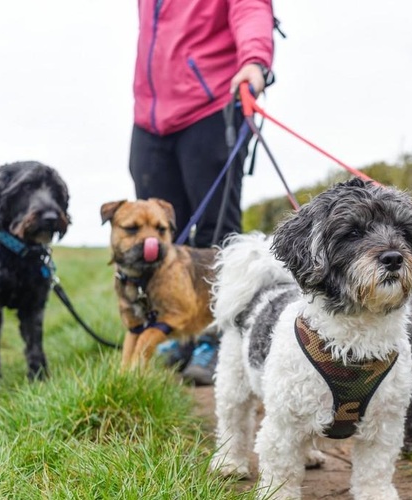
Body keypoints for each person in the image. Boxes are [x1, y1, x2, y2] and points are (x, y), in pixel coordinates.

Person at [129, 0, 275, 385]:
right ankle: (177, 330)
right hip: (150, 119)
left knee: (216, 235)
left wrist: (255, 60)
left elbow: (250, 8)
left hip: (210, 109)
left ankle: (216, 338)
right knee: (160, 241)